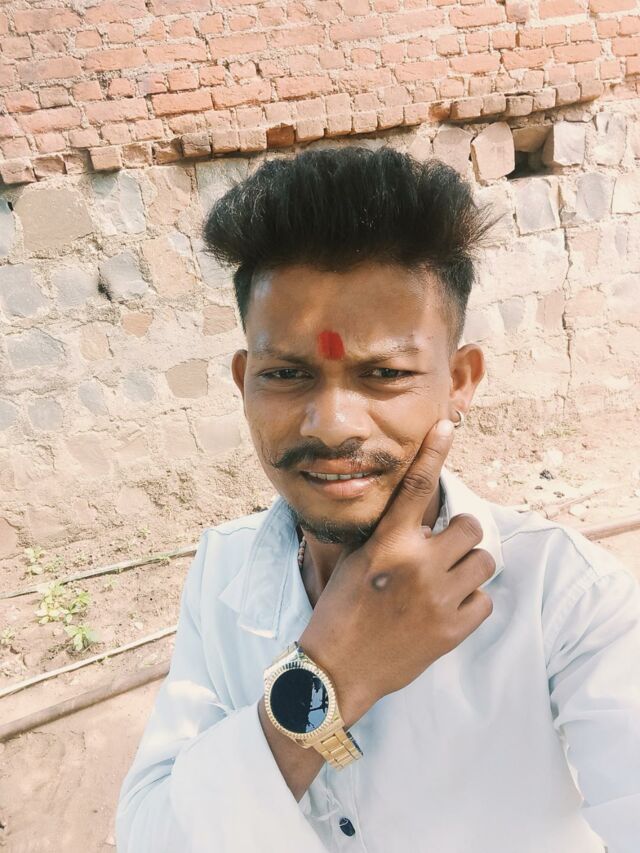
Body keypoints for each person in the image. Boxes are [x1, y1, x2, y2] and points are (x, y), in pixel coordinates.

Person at [115, 147, 639, 852]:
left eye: (385, 373)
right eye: (287, 374)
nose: (332, 425)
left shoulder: (566, 598)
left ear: (459, 381)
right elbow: (151, 835)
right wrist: (334, 673)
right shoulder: (223, 573)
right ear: (243, 382)